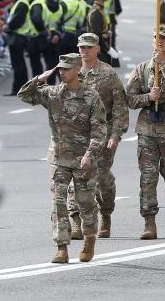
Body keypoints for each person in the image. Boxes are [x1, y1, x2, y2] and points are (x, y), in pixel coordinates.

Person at [18, 54, 106, 264]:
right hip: (59, 159)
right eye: (60, 69)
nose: (62, 72)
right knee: (58, 203)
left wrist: (89, 154)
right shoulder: (54, 93)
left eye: (66, 69)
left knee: (85, 203)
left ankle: (89, 239)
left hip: (84, 159)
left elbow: (99, 130)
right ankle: (61, 247)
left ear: (78, 70)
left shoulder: (91, 97)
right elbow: (23, 95)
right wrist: (40, 79)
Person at [126, 25, 165, 239]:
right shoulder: (142, 68)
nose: (159, 41)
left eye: (164, 38)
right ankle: (149, 221)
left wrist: (164, 67)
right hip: (148, 129)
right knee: (148, 177)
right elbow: (130, 98)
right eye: (156, 38)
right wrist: (148, 98)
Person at [69, 33, 129, 239]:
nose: (85, 51)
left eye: (89, 47)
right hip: (76, 135)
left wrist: (116, 135)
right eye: (81, 48)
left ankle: (106, 214)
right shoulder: (72, 71)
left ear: (97, 49)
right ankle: (76, 221)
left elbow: (120, 107)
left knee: (101, 177)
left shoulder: (108, 74)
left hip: (102, 134)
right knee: (75, 177)